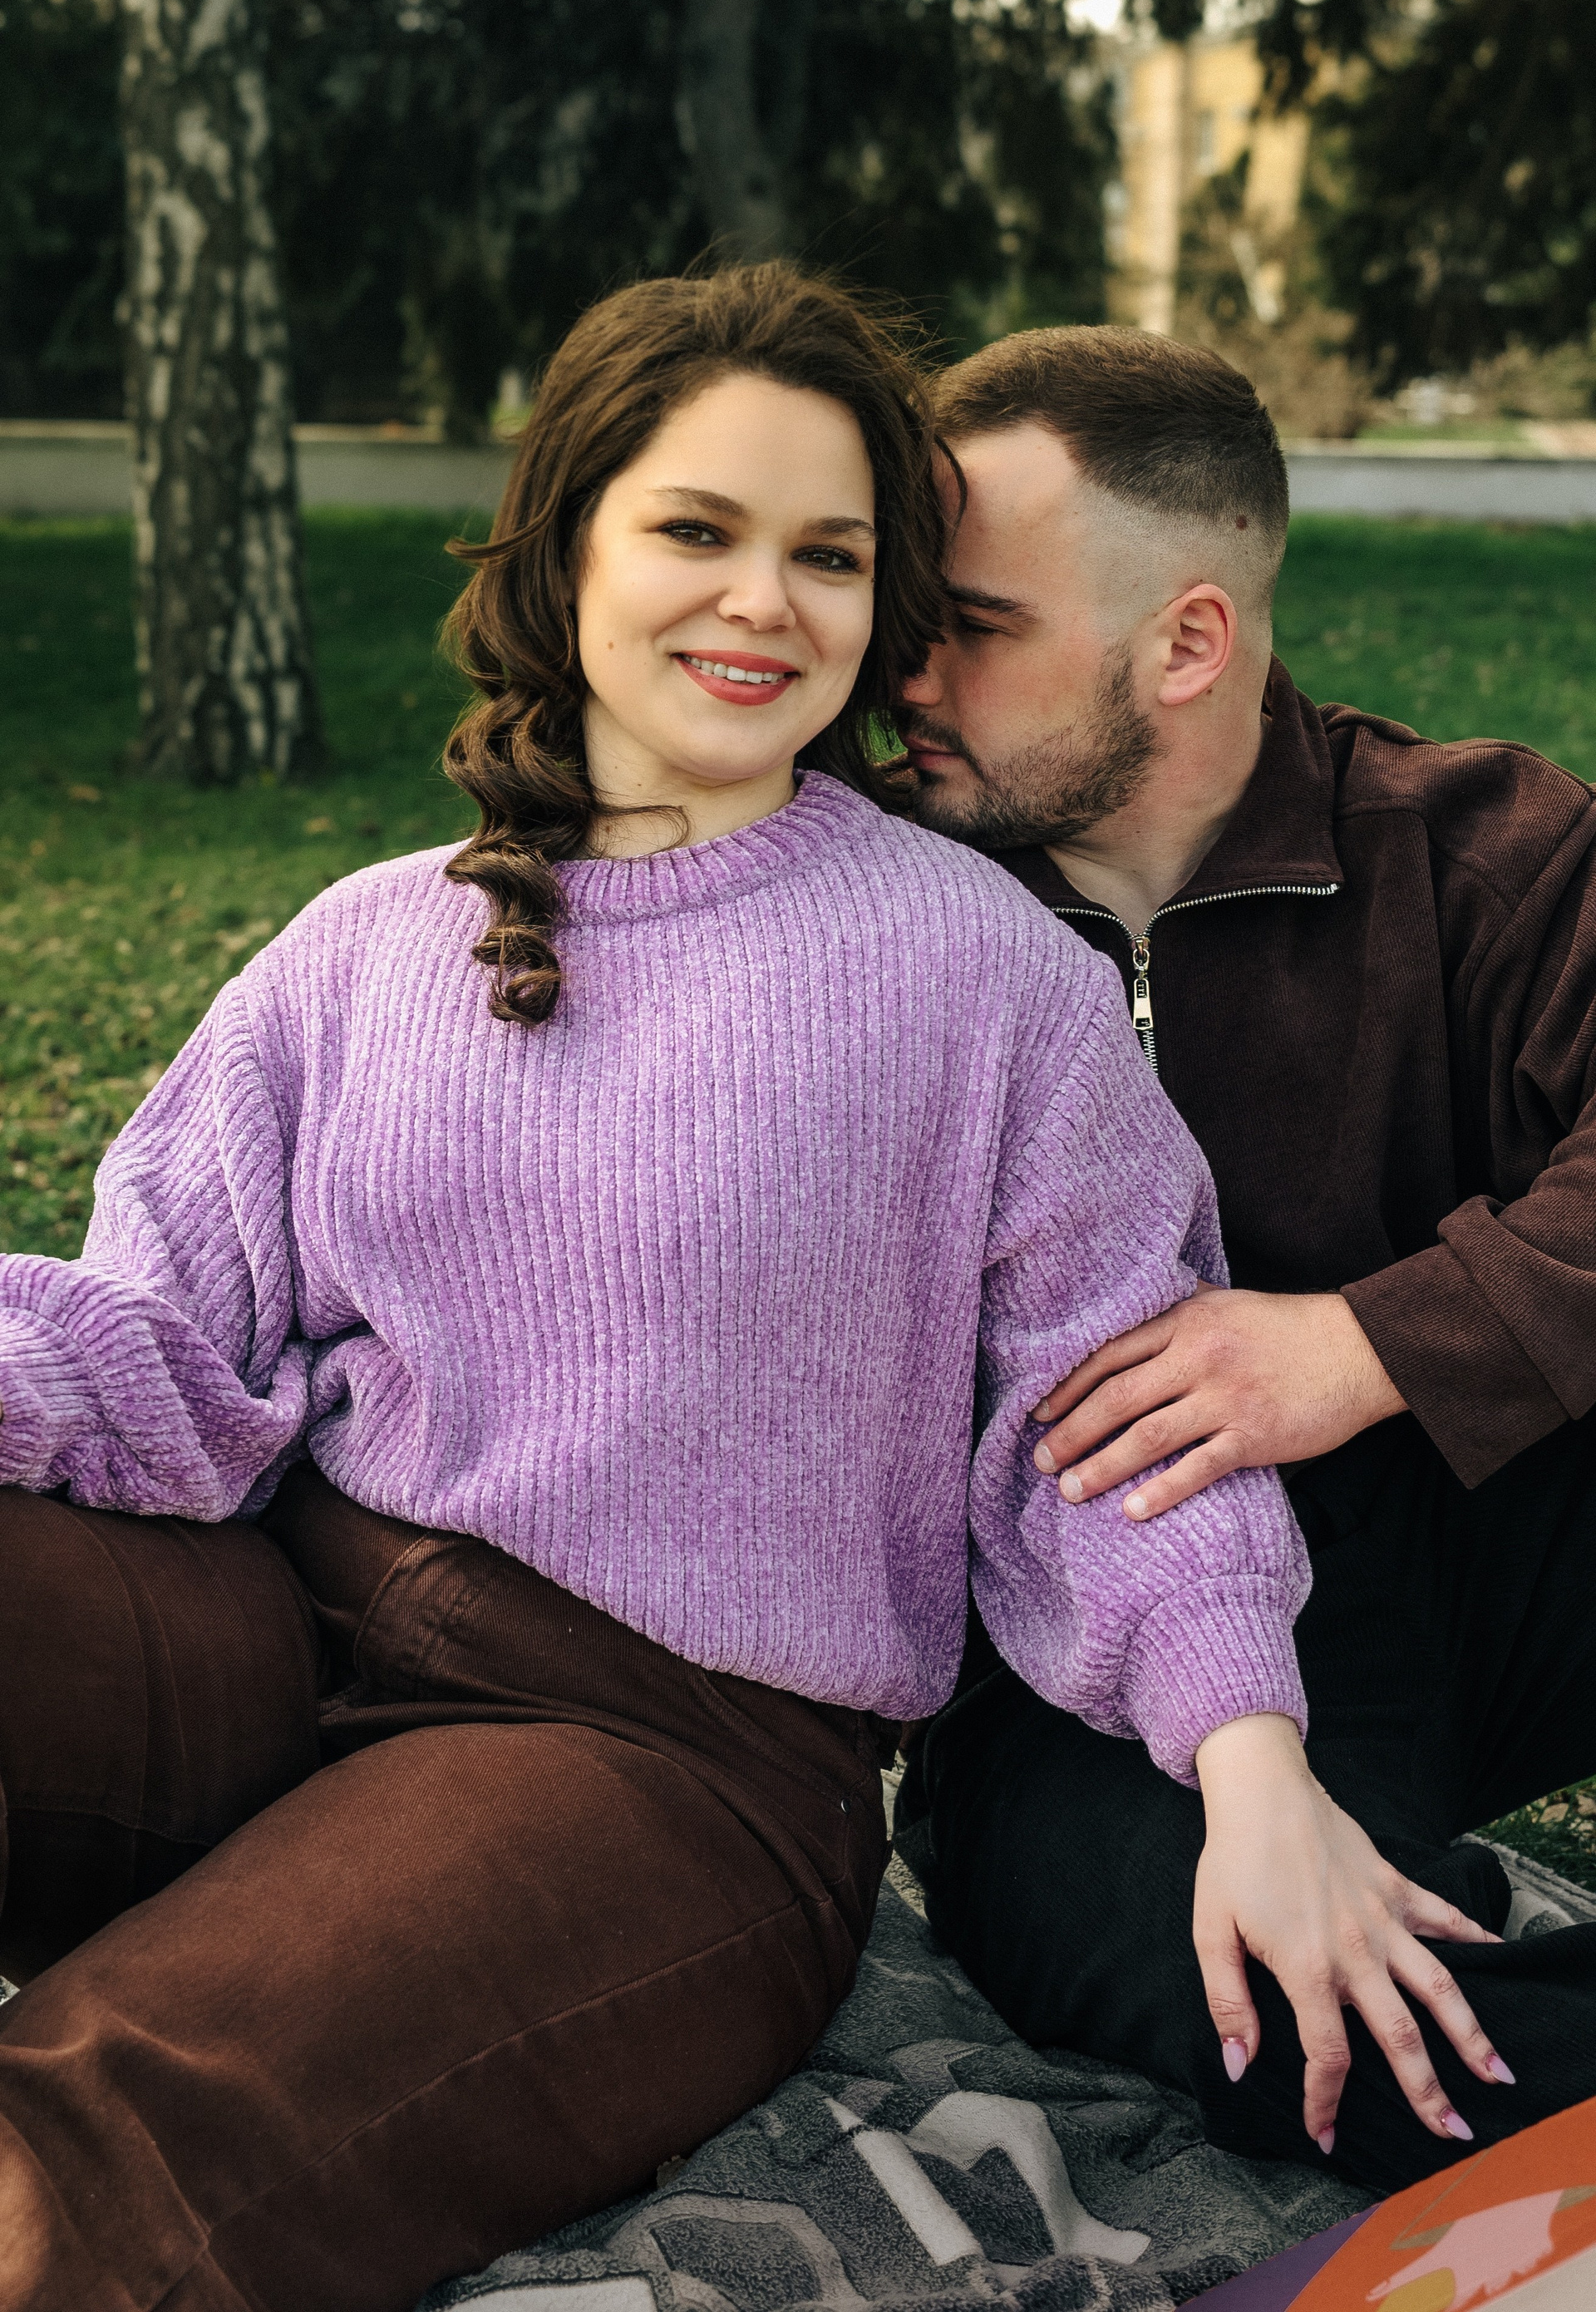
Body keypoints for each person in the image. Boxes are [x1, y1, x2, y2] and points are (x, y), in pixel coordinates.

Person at [0, 266, 1358, 2312]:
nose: (763, 603)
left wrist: (1254, 1769)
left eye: (831, 555)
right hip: (272, 1624)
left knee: (87, 2150)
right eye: (699, 529)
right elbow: (165, 1351)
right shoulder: (364, 945)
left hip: (662, 1764)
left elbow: (1114, 1419)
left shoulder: (983, 979)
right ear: (569, 549)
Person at [889, 320, 1596, 2197]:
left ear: (1187, 641)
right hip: (1073, 1651)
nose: (906, 674)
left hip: (1469, 1522)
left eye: (971, 624)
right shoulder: (867, 904)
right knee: (1301, 2031)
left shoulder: (1478, 850)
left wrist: (1365, 1345)